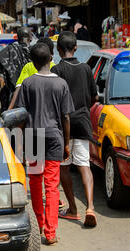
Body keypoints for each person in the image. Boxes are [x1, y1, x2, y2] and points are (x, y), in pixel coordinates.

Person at [15, 42, 74, 245]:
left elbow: (21, 116)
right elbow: (66, 117)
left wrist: (19, 142)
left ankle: (39, 224)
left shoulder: (28, 83)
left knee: (35, 182)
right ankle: (50, 233)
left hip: (34, 137)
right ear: (51, 58)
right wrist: (66, 144)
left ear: (32, 61)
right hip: (55, 137)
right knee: (51, 186)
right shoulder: (61, 84)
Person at [52, 31, 98, 228]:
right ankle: (90, 207)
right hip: (83, 120)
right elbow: (94, 97)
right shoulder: (86, 68)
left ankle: (72, 209)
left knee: (64, 167)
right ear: (76, 48)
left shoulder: (56, 70)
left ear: (58, 50)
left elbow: (54, 100)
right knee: (84, 166)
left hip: (64, 125)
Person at [0, 27, 32, 111]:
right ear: (27, 39)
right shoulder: (34, 52)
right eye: (30, 38)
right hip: (29, 94)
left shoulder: (6, 52)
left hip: (13, 95)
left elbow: (1, 77)